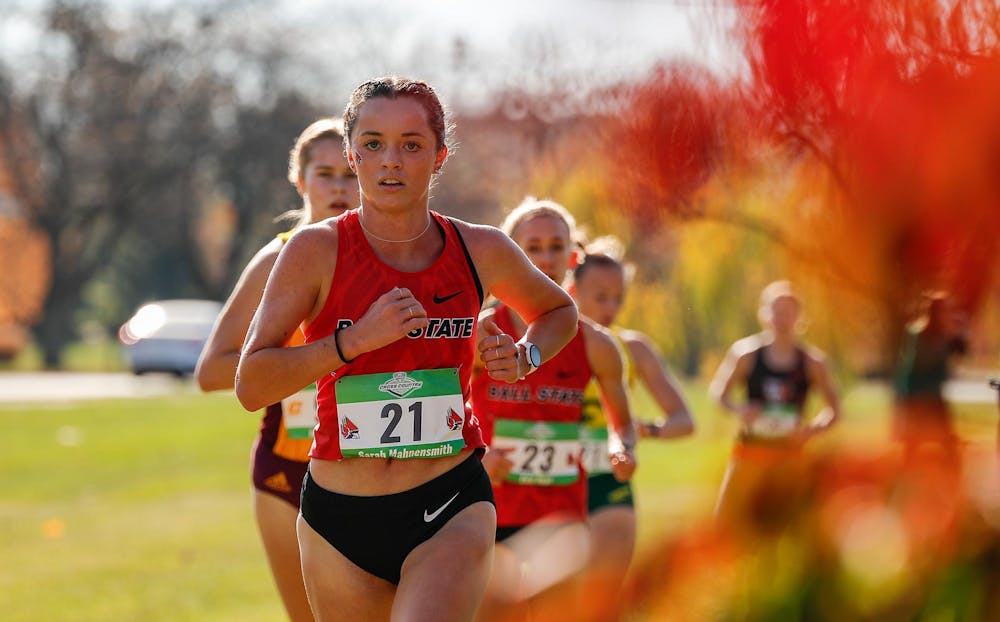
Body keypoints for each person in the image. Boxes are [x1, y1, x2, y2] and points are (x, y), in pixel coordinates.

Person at [235, 77, 579, 622]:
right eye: (372, 144)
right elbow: (251, 384)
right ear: (353, 155)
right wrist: (353, 341)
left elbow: (559, 311)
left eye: (411, 145)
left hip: (449, 503)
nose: (390, 161)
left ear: (440, 156)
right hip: (337, 518)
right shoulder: (313, 251)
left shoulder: (480, 248)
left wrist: (525, 355)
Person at [195, 117, 359, 622]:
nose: (338, 187)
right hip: (288, 472)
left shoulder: (387, 258)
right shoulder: (276, 260)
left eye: (349, 173)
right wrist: (313, 361)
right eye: (324, 173)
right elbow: (211, 371)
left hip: (371, 469)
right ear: (299, 178)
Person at [470, 198, 638, 622]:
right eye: (533, 248)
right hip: (486, 508)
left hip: (559, 516)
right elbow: (447, 410)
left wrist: (624, 448)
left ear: (573, 257)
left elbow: (624, 423)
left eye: (555, 247)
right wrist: (476, 455)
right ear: (511, 253)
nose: (545, 259)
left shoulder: (596, 344)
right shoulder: (480, 330)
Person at [568, 236, 694, 609]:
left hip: (609, 480)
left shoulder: (633, 348)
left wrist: (645, 429)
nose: (611, 307)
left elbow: (684, 420)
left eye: (618, 297)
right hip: (549, 482)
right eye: (600, 296)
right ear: (572, 288)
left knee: (602, 603)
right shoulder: (542, 342)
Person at [708, 280, 840, 535]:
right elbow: (719, 394)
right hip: (750, 454)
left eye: (788, 312)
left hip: (790, 458)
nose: (781, 318)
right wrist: (740, 409)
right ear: (764, 314)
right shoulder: (746, 354)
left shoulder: (813, 362)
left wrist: (811, 430)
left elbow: (834, 410)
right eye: (776, 311)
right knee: (726, 525)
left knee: (795, 530)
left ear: (799, 318)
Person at [892, 290, 969, 464]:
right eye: (946, 311)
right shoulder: (917, 333)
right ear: (936, 313)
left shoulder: (945, 333)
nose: (950, 314)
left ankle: (952, 479)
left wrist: (961, 331)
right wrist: (948, 337)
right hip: (917, 395)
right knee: (914, 441)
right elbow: (925, 360)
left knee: (946, 442)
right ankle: (908, 477)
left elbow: (962, 351)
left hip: (934, 394)